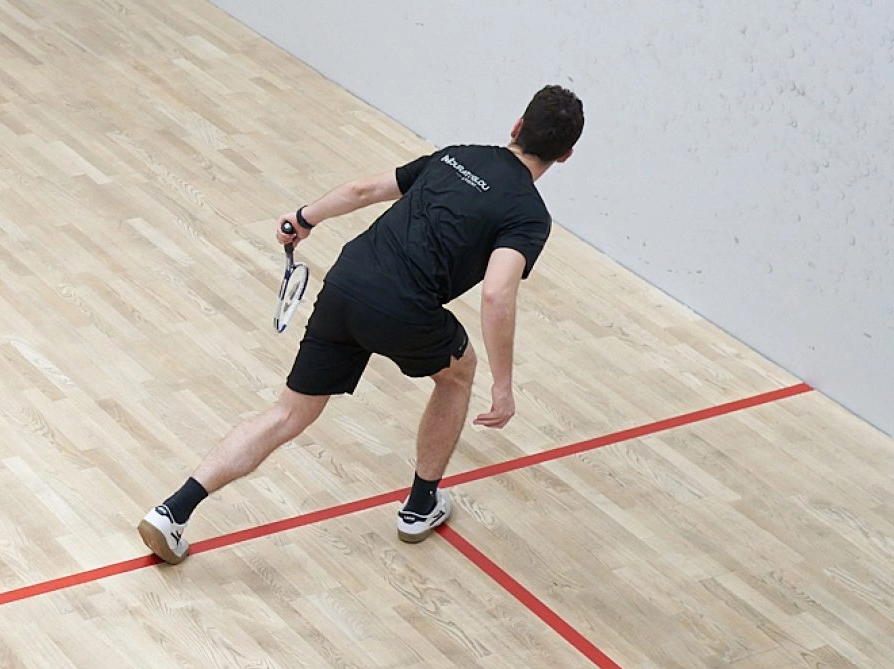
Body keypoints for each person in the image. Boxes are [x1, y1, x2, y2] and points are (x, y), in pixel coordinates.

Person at [138, 85, 584, 561]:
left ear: (516, 126)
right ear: (566, 156)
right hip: (405, 307)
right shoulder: (528, 215)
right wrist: (504, 384)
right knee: (458, 374)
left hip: (349, 280)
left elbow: (363, 190)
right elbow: (497, 293)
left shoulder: (458, 156)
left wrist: (304, 217)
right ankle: (419, 505)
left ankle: (173, 510)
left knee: (287, 413)